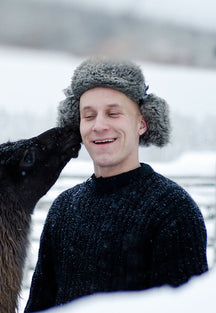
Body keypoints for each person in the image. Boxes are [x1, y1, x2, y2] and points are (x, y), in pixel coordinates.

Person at [24, 57, 208, 312]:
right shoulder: (63, 209)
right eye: (89, 116)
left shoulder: (174, 210)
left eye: (113, 113)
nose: (99, 126)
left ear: (141, 123)